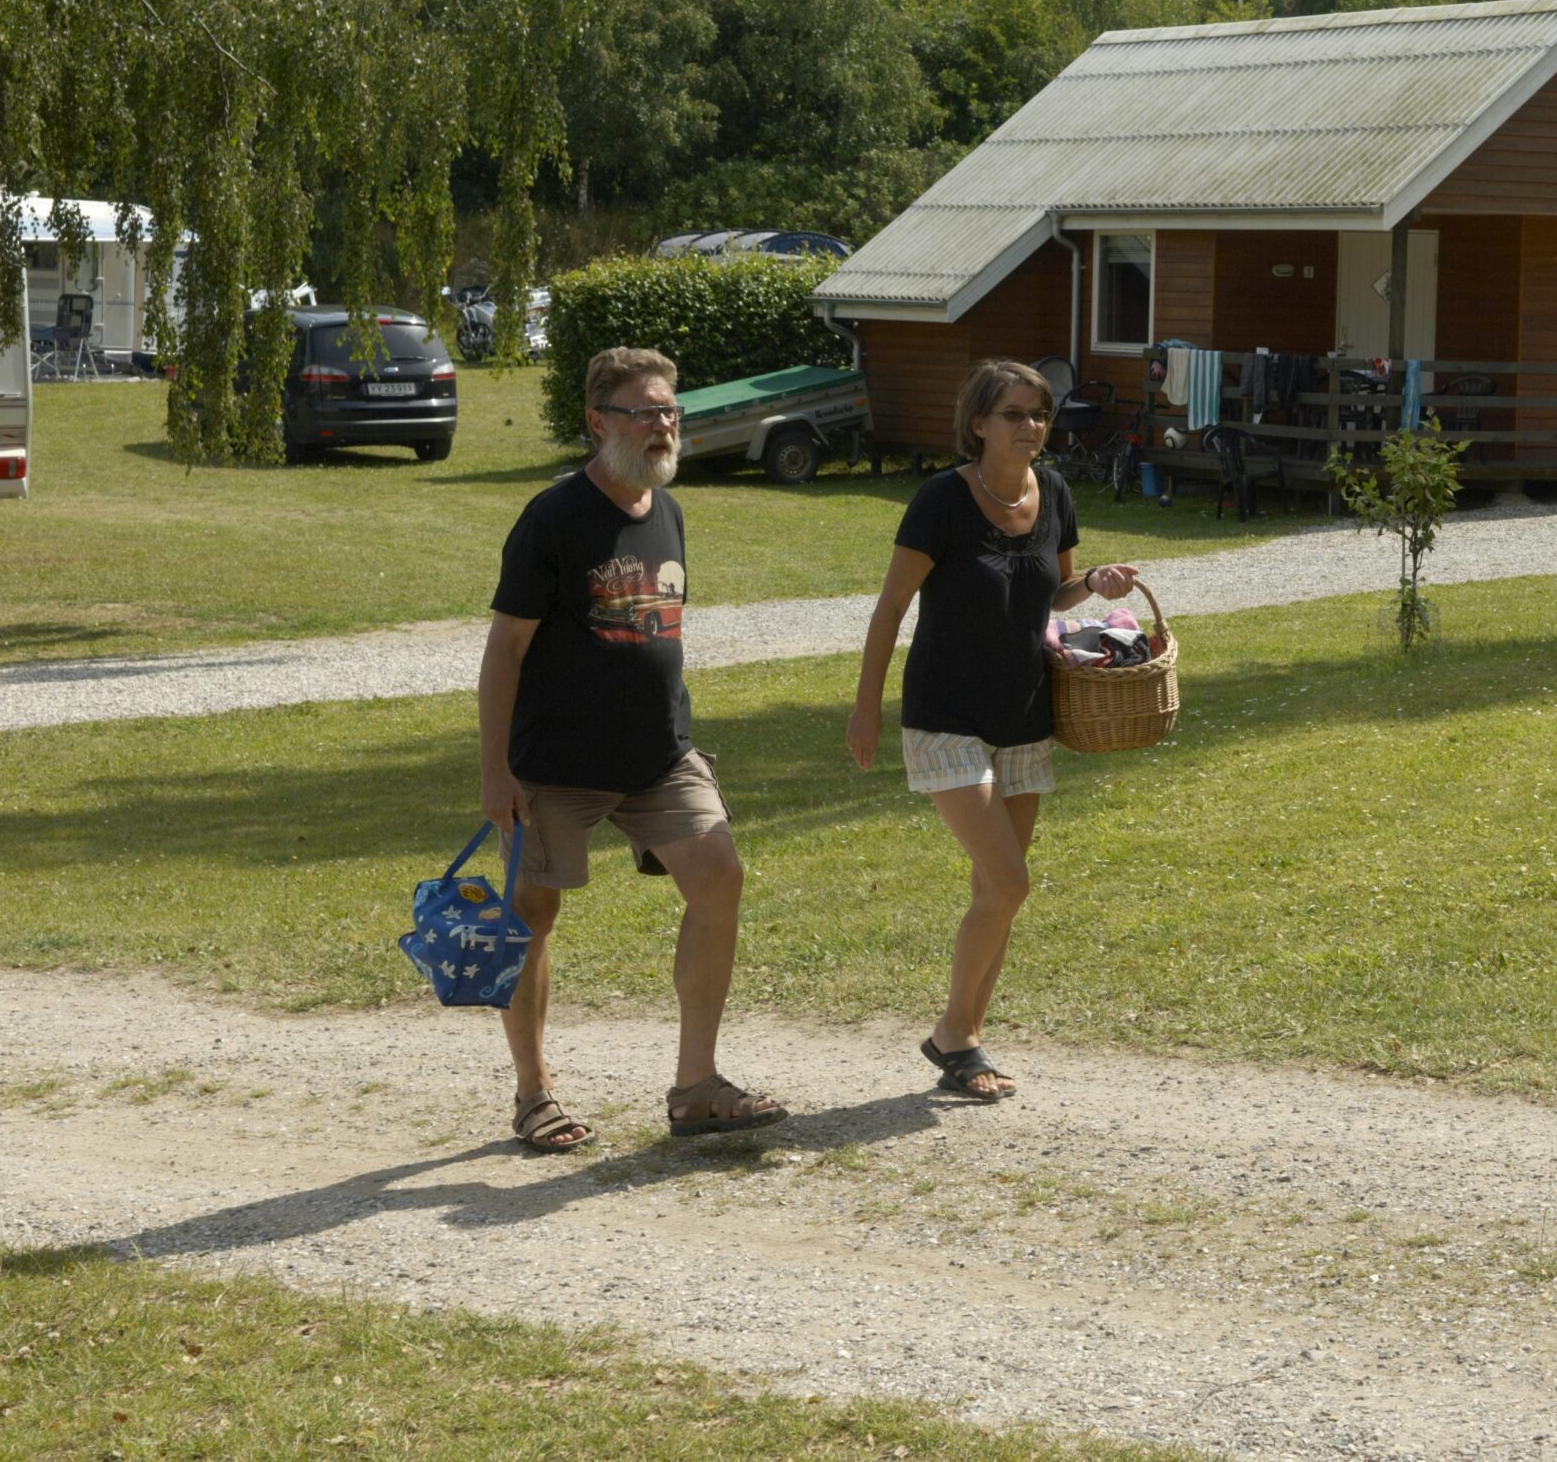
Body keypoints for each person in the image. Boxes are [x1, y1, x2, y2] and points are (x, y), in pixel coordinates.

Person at [477, 345, 787, 1151]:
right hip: (556, 762)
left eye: (669, 410)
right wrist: (496, 770)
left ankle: (696, 1086)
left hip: (659, 755)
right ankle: (533, 1093)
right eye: (645, 411)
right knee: (533, 915)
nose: (663, 425)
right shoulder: (553, 517)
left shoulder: (669, 511)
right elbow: (506, 647)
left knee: (718, 874)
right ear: (598, 420)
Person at [847, 359, 1139, 1101]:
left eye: (1039, 413)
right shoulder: (941, 500)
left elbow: (1056, 590)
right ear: (978, 424)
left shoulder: (1055, 493)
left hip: (1024, 714)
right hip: (945, 715)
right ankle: (954, 1032)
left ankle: (965, 1041)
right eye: (1014, 413)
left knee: (996, 891)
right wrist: (865, 708)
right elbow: (890, 608)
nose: (1031, 426)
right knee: (1010, 880)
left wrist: (1093, 582)